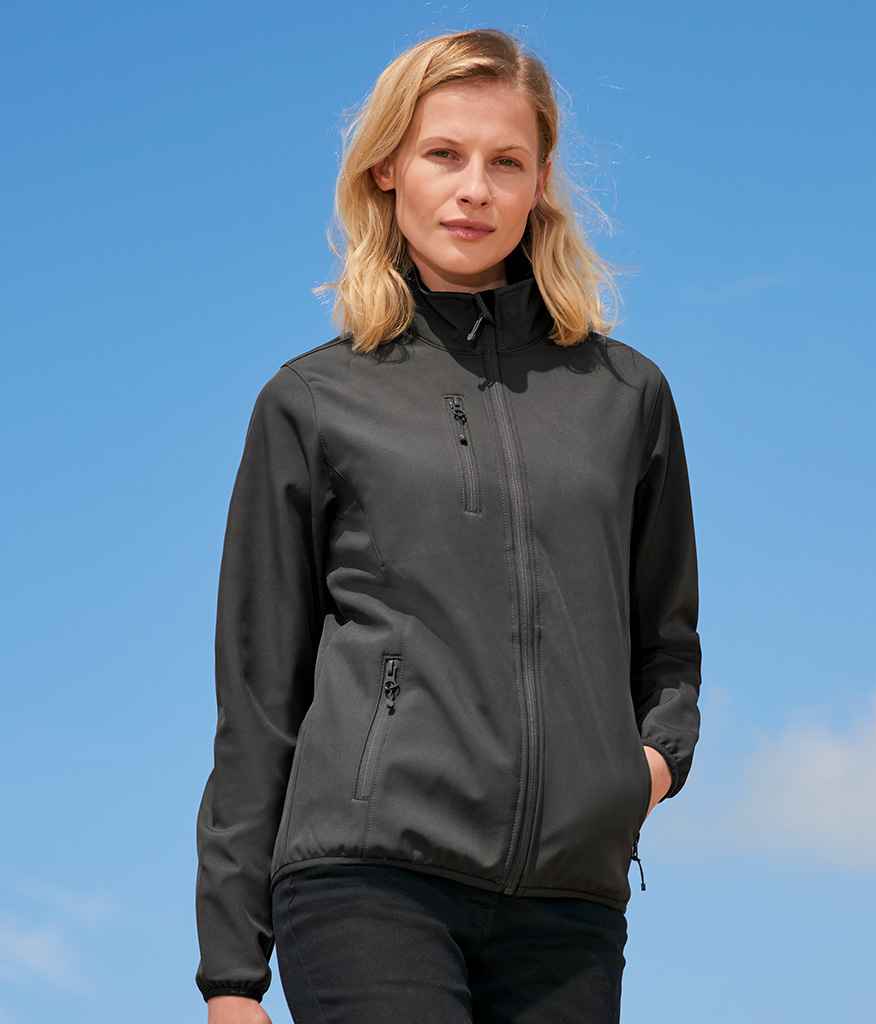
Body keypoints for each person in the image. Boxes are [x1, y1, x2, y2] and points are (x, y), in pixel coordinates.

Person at [195, 26, 702, 1024]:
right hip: (365, 880)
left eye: (505, 162)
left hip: (569, 901)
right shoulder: (314, 402)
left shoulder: (625, 395)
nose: (474, 189)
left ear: (541, 183)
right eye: (443, 154)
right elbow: (257, 698)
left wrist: (641, 772)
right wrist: (231, 976)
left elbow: (667, 640)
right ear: (387, 169)